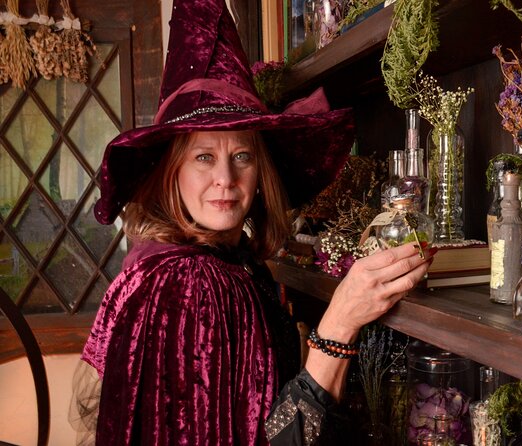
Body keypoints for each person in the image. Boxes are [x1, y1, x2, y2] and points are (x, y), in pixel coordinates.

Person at [72, 0, 435, 444]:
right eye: (204, 157)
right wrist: (341, 321)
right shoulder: (191, 284)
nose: (226, 179)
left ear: (260, 171)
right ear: (171, 172)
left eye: (242, 155)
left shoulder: (220, 261)